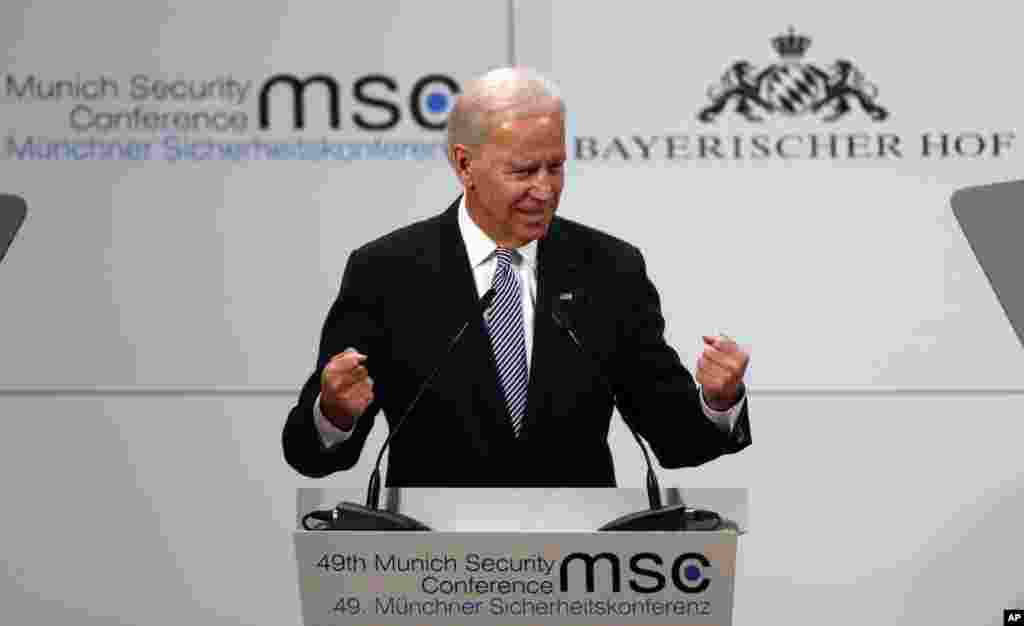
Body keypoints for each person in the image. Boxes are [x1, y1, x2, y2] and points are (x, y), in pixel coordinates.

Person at [282, 67, 751, 486]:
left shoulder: (609, 268)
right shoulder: (387, 271)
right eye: (523, 171)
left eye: (556, 167)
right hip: (431, 562)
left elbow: (678, 440)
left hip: (579, 565)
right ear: (464, 164)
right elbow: (310, 455)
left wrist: (717, 400)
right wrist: (334, 414)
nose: (544, 190)